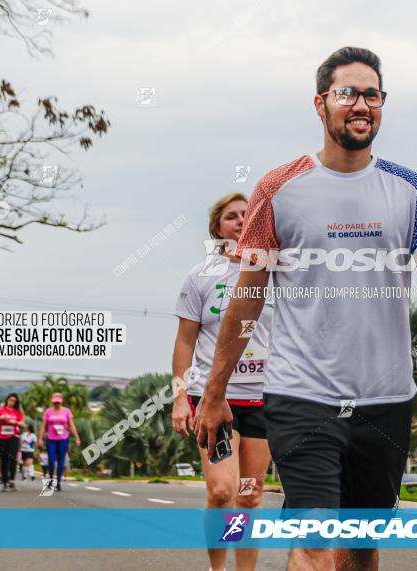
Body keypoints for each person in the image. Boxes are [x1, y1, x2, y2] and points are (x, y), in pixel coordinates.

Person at [194, 47, 417, 570]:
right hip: (302, 393)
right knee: (318, 539)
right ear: (321, 103)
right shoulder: (278, 189)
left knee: (361, 549)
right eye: (349, 93)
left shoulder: (411, 188)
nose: (362, 104)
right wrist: (214, 393)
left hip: (386, 398)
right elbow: (248, 295)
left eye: (373, 94)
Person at [172, 193, 274, 571]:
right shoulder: (201, 277)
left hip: (263, 398)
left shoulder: (275, 272)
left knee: (250, 496)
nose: (241, 220)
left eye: (248, 214)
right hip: (212, 398)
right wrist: (180, 398)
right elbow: (185, 341)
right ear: (218, 228)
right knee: (221, 491)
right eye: (231, 216)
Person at [38, 393, 80, 491]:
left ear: (61, 401)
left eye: (58, 402)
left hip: (63, 439)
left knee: (61, 461)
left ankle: (59, 482)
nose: (56, 404)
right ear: (52, 401)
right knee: (51, 461)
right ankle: (52, 478)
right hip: (51, 439)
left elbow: (72, 426)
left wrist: (77, 438)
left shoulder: (67, 411)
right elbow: (43, 426)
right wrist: (40, 439)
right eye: (55, 402)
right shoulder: (48, 412)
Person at [0, 393, 25, 491]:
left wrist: (16, 422)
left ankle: (12, 481)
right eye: (11, 400)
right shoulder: (0, 410)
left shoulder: (17, 412)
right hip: (2, 438)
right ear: (7, 400)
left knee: (13, 458)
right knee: (4, 460)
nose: (12, 402)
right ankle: (5, 482)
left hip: (14, 438)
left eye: (14, 401)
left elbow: (23, 424)